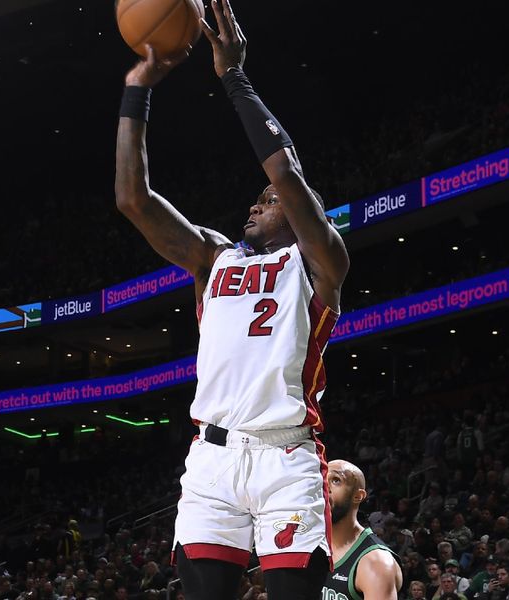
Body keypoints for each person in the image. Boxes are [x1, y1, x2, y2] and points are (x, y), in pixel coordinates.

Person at [114, 1, 349, 598]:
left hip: (286, 458)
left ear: (297, 215)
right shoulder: (214, 257)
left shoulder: (319, 262)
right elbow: (132, 199)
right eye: (257, 198)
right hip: (213, 460)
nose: (255, 203)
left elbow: (289, 173)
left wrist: (233, 76)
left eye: (268, 201)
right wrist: (137, 92)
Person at [322, 460, 402, 599]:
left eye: (336, 480)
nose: (324, 486)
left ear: (358, 496)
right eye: (322, 478)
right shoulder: (309, 544)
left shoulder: (377, 562)